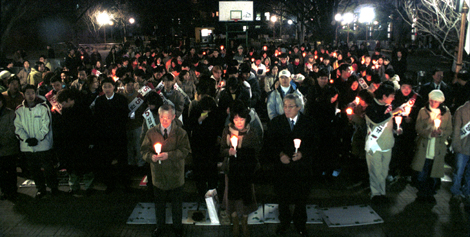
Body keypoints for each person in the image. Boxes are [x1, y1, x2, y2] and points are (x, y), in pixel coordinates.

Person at [267, 93, 314, 237]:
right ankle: (284, 222)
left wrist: (303, 154)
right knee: (283, 197)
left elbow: (314, 143)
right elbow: (270, 143)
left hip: (301, 168)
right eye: (285, 106)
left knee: (301, 198)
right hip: (283, 168)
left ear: (299, 107)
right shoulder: (277, 122)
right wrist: (280, 155)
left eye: (291, 106)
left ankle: (300, 224)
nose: (286, 109)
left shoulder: (308, 123)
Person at [141, 104, 191, 237]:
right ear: (158, 116)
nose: (165, 120)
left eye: (168, 118)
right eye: (162, 117)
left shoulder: (181, 133)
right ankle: (160, 226)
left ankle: (177, 227)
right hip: (159, 176)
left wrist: (169, 155)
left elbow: (185, 151)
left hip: (175, 175)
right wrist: (151, 157)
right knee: (159, 205)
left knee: (176, 205)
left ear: (174, 117)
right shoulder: (151, 132)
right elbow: (144, 151)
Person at [220, 100, 260, 237]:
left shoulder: (251, 132)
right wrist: (228, 152)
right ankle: (235, 220)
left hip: (246, 170)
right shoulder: (227, 131)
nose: (239, 122)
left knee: (245, 196)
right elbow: (221, 150)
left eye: (241, 119)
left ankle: (244, 221)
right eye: (236, 119)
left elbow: (257, 150)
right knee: (232, 197)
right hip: (231, 170)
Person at [14, 85, 57, 199]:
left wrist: (37, 138)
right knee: (34, 169)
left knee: (48, 168)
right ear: (23, 94)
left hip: (43, 145)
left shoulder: (43, 107)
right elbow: (17, 127)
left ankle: (53, 187)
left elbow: (46, 125)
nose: (31, 95)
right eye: (28, 93)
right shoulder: (19, 110)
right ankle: (40, 188)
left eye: (32, 93)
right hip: (27, 146)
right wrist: (26, 139)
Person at [364, 81, 402, 203]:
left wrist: (397, 129)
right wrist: (394, 112)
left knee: (384, 171)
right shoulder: (371, 108)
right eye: (391, 96)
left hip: (387, 143)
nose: (393, 98)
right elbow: (377, 121)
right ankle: (375, 194)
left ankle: (382, 193)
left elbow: (390, 122)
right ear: (384, 96)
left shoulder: (389, 106)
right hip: (374, 144)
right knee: (375, 170)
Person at [411, 90, 452, 204]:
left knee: (434, 172)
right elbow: (418, 127)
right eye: (431, 101)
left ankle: (431, 193)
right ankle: (421, 193)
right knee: (422, 171)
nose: (433, 103)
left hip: (437, 147)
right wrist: (428, 132)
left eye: (436, 101)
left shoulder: (446, 113)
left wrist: (441, 133)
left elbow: (449, 129)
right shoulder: (423, 111)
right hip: (425, 145)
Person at [56, 89, 95, 196]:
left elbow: (90, 126)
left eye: (63, 102)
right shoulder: (65, 111)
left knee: (86, 167)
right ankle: (74, 187)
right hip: (70, 144)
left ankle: (88, 187)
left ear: (69, 100)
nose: (62, 105)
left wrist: (90, 141)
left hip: (83, 143)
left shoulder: (83, 109)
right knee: (71, 168)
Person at [93, 77, 129, 193]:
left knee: (121, 159)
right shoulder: (99, 101)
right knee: (107, 160)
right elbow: (97, 119)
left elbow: (124, 117)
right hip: (105, 136)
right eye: (104, 87)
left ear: (114, 87)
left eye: (109, 86)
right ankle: (110, 184)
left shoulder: (121, 99)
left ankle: (125, 183)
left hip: (119, 134)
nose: (107, 89)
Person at [450, 97, 470, 205]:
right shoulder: (461, 110)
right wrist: (456, 145)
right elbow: (456, 130)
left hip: (464, 147)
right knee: (459, 171)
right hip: (462, 147)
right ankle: (455, 192)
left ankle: (467, 192)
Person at [0, 93, 20, 200]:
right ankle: (4, 190)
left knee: (11, 170)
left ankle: (13, 190)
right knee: (1, 172)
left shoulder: (10, 113)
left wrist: (2, 141)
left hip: (9, 147)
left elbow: (12, 129)